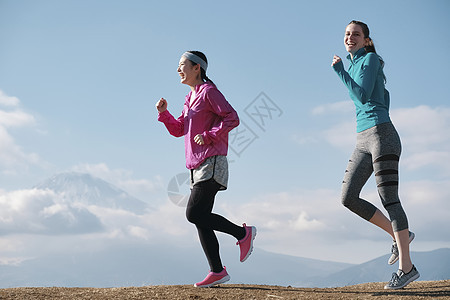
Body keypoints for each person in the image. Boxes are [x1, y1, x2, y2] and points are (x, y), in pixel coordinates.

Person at [156, 51, 256, 288]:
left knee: (193, 214)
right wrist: (163, 114)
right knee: (201, 218)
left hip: (212, 161)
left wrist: (210, 135)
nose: (179, 69)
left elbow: (232, 118)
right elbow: (180, 129)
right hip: (196, 165)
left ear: (197, 68)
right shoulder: (189, 98)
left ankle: (242, 234)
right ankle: (217, 271)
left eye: (182, 65)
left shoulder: (209, 92)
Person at [331, 21, 419, 290]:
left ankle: (407, 268)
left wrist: (340, 72)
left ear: (366, 40)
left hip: (382, 136)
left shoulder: (368, 59)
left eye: (356, 34)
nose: (350, 37)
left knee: (390, 200)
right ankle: (398, 236)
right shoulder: (361, 63)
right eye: (347, 34)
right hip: (363, 139)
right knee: (348, 197)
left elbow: (360, 96)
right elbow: (385, 96)